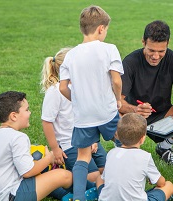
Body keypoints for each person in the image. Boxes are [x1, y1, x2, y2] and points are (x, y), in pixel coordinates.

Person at [59, 5, 124, 201]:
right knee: (124, 143)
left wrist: (77, 101)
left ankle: (78, 197)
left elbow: (63, 88)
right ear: (101, 29)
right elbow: (116, 80)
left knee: (83, 157)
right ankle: (127, 183)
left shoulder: (70, 55)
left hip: (83, 115)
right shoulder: (109, 49)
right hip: (106, 111)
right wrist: (118, 99)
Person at [119, 20, 173, 165]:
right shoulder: (130, 61)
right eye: (151, 50)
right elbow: (118, 101)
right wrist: (135, 109)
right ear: (143, 42)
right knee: (115, 115)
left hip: (163, 114)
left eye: (161, 51)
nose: (156, 56)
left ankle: (164, 146)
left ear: (167, 44)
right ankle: (125, 153)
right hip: (134, 115)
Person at [0, 91, 72, 201]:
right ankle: (85, 193)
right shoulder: (18, 137)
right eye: (27, 110)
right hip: (10, 196)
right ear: (14, 116)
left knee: (39, 174)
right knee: (64, 175)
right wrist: (49, 158)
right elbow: (28, 172)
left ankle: (65, 195)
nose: (30, 113)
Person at [40, 48, 107, 199]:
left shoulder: (82, 87)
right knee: (95, 176)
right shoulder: (55, 92)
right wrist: (55, 149)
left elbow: (88, 116)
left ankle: (92, 188)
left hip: (88, 139)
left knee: (108, 170)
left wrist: (94, 140)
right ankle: (60, 180)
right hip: (68, 144)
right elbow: (47, 122)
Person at [96, 113, 173, 201]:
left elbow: (104, 178)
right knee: (168, 185)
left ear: (117, 135)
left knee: (99, 178)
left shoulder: (111, 153)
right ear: (142, 139)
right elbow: (161, 183)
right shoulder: (145, 157)